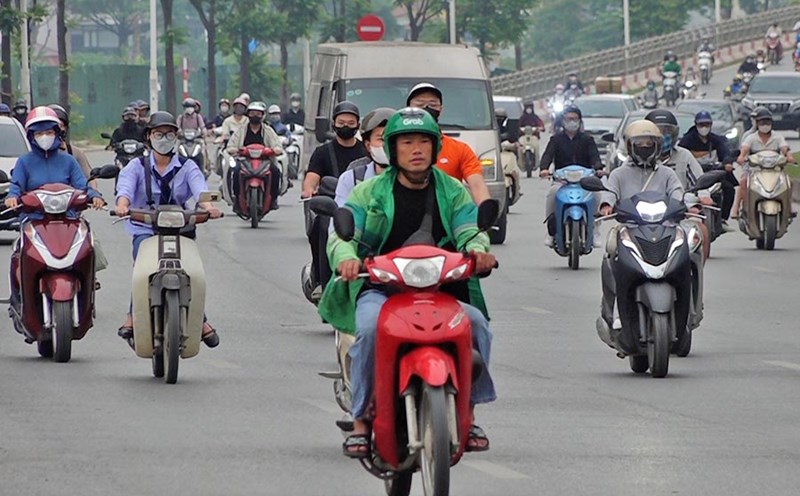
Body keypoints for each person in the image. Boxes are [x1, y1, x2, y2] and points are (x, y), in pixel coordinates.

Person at [319, 107, 497, 458]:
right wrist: (347, 259)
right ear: (392, 149)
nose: (415, 149)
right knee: (368, 330)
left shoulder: (454, 192)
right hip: (381, 288)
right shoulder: (368, 193)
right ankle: (360, 421)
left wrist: (478, 251)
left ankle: (470, 412)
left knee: (477, 325)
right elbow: (341, 235)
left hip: (441, 288)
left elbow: (470, 230)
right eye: (406, 142)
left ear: (434, 148)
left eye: (423, 142)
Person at [114, 111, 221, 348]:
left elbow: (201, 192)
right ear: (148, 137)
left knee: (190, 272)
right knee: (142, 271)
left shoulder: (187, 166)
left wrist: (209, 207)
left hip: (180, 229)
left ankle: (200, 319)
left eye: (170, 133)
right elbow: (124, 192)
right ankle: (132, 317)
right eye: (158, 133)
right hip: (144, 228)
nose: (164, 138)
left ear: (177, 137)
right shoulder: (136, 166)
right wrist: (122, 206)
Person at [5, 107, 106, 301]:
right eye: (39, 133)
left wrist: (94, 196)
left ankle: (87, 287)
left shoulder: (68, 161)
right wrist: (12, 197)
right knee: (18, 253)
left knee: (88, 246)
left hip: (68, 219)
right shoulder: (24, 162)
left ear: (58, 133)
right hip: (33, 220)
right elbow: (16, 186)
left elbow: (82, 185)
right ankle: (18, 297)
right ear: (31, 136)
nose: (45, 136)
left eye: (49, 132)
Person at [597, 120, 686, 333]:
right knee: (611, 253)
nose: (645, 147)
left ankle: (686, 309)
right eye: (640, 143)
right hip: (629, 227)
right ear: (630, 145)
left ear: (657, 146)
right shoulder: (619, 173)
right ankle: (617, 311)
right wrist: (607, 205)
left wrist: (683, 204)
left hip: (664, 227)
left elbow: (677, 193)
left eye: (649, 143)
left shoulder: (666, 173)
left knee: (687, 251)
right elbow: (610, 191)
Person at [406, 82, 491, 204]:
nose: (426, 108)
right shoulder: (396, 148)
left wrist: (485, 207)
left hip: (449, 215)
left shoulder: (459, 149)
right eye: (420, 104)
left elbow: (477, 184)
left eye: (433, 104)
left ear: (441, 108)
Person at [645, 109, 711, 258]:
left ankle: (697, 274)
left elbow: (700, 180)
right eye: (658, 131)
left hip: (681, 209)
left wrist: (703, 196)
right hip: (643, 213)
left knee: (701, 230)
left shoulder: (684, 155)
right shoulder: (637, 158)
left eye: (667, 131)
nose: (663, 136)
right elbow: (621, 181)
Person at [539, 105, 602, 247]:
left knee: (597, 195)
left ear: (580, 121)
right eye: (568, 119)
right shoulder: (556, 139)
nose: (572, 122)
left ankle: (596, 230)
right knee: (552, 194)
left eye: (575, 119)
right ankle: (550, 231)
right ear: (563, 121)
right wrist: (544, 168)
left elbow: (595, 157)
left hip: (584, 180)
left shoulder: (587, 139)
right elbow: (548, 155)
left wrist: (598, 168)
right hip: (562, 180)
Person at [732, 107, 796, 218]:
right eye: (762, 122)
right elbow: (744, 150)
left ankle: (789, 207)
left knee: (789, 182)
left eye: (767, 122)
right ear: (757, 123)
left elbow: (785, 148)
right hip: (754, 170)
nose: (765, 125)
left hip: (775, 170)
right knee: (743, 182)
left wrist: (789, 157)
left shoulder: (777, 137)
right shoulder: (751, 137)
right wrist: (741, 157)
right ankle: (738, 208)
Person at [679, 110, 736, 228]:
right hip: (694, 175)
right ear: (695, 125)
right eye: (701, 125)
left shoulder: (716, 140)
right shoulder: (687, 140)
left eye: (706, 124)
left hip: (713, 174)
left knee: (729, 189)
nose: (704, 127)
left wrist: (727, 163)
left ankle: (723, 219)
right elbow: (679, 155)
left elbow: (725, 152)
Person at [225, 101, 284, 209]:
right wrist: (237, 150)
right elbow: (231, 146)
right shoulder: (241, 130)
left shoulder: (268, 130)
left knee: (276, 172)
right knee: (236, 171)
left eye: (258, 114)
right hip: (244, 160)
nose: (255, 116)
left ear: (263, 115)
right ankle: (237, 200)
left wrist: (274, 150)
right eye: (252, 113)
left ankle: (273, 199)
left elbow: (277, 146)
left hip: (265, 161)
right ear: (248, 114)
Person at [302, 101, 367, 198]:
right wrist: (308, 191)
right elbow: (311, 179)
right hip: (331, 204)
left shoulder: (367, 151)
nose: (346, 126)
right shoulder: (322, 152)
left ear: (358, 125)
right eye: (341, 123)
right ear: (333, 124)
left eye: (351, 123)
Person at [334, 107, 394, 207]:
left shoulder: (415, 178)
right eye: (381, 139)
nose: (387, 145)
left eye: (392, 139)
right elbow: (342, 217)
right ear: (368, 145)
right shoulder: (351, 179)